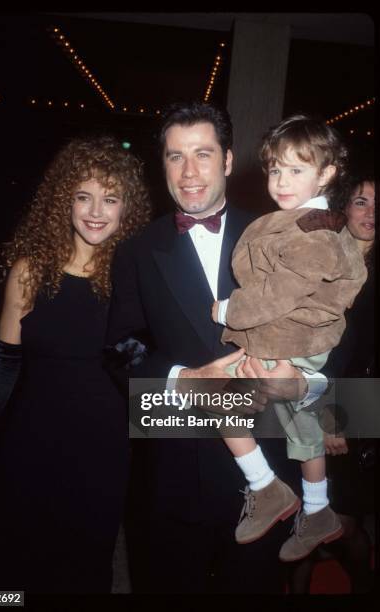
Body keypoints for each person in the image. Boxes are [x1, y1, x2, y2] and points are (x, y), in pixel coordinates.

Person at [105, 102, 329, 593]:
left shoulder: (282, 233)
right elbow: (119, 347)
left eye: (203, 154)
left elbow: (330, 324)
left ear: (227, 160)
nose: (189, 172)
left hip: (270, 467)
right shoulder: (137, 250)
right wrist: (181, 379)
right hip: (173, 465)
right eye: (175, 156)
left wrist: (306, 384)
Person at [0, 134, 151, 593]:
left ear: (126, 208)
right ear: (65, 200)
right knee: (10, 569)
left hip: (102, 452)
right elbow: (3, 366)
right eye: (84, 196)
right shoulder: (29, 271)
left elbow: (147, 370)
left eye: (110, 198)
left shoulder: (134, 279)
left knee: (85, 570)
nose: (96, 211)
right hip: (28, 446)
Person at [211, 115, 367, 561]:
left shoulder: (311, 228)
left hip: (291, 343)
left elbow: (280, 294)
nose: (280, 180)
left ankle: (267, 487)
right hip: (297, 343)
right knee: (305, 431)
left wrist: (228, 310)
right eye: (275, 169)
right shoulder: (310, 220)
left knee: (220, 403)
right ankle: (317, 511)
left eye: (296, 170)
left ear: (326, 173)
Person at [288, 173, 376, 593]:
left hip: (362, 407)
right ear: (345, 208)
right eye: (361, 202)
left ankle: (363, 584)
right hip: (309, 398)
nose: (371, 212)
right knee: (302, 517)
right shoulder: (324, 261)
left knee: (341, 519)